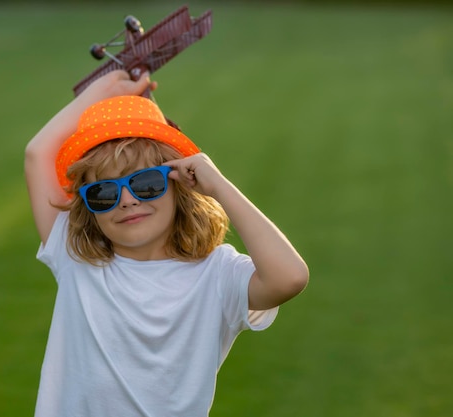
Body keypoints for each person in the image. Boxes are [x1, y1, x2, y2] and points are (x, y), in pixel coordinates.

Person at [24, 69, 309, 416]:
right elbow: (37, 154)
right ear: (88, 206)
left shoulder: (217, 274)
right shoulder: (76, 256)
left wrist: (219, 186)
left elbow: (290, 277)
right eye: (104, 192)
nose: (127, 200)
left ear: (180, 184)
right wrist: (105, 88)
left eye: (145, 183)